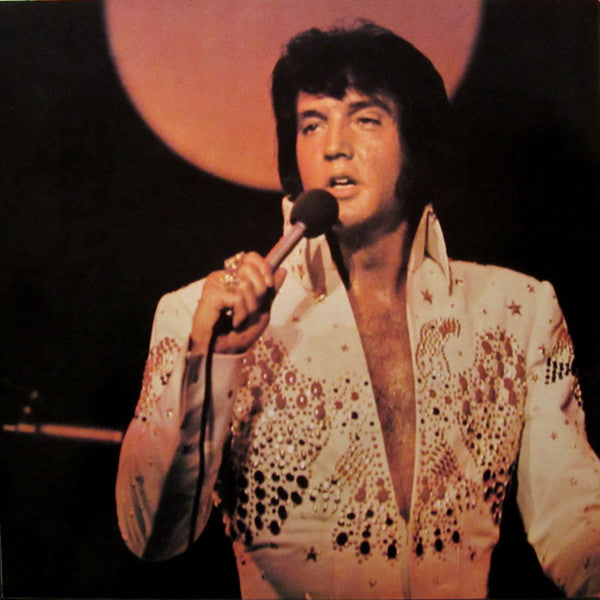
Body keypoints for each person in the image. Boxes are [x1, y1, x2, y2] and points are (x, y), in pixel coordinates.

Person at [116, 22, 600, 598]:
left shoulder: (517, 312)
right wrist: (210, 360)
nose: (333, 146)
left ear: (416, 144)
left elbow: (575, 520)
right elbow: (152, 535)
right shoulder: (200, 316)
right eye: (311, 124)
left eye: (366, 119)